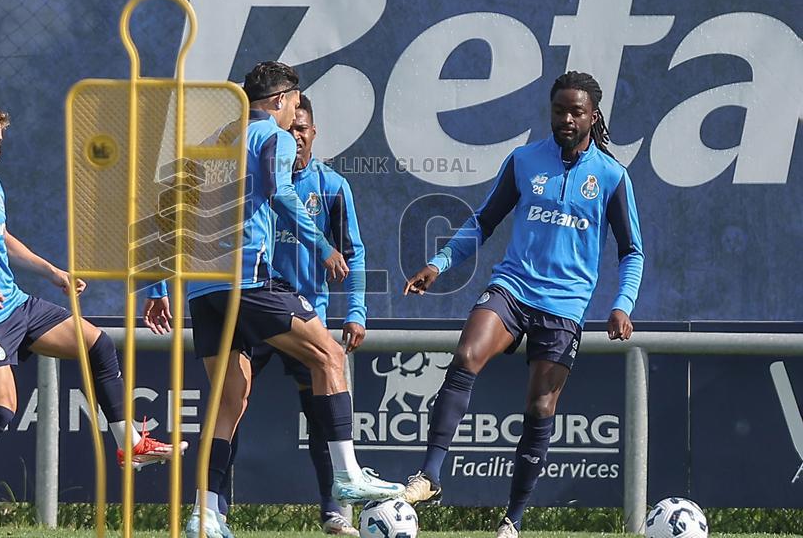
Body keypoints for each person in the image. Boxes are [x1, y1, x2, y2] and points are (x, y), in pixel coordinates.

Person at [143, 61, 402, 538]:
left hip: (203, 291)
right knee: (329, 354)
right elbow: (280, 191)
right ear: (282, 101)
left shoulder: (216, 138)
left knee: (229, 400)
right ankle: (347, 475)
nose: (293, 117)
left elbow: (169, 207)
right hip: (251, 282)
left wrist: (155, 285)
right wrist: (321, 245)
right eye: (293, 105)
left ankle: (204, 513)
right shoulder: (273, 136)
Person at [401, 71, 644, 538]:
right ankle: (429, 475)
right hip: (513, 287)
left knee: (539, 406)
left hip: (565, 305)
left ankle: (512, 518)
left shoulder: (612, 177)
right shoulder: (525, 160)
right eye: (559, 110)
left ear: (594, 116)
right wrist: (438, 263)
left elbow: (631, 250)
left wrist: (622, 304)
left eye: (576, 111)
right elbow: (483, 221)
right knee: (467, 355)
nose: (566, 119)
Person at [0, 110, 184, 538]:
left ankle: (130, 445)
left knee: (98, 344)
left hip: (19, 305)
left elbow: (2, 237)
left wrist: (53, 273)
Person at [219, 94, 368, 535]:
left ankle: (335, 510)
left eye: (302, 129)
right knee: (231, 404)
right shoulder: (255, 181)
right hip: (253, 307)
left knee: (321, 415)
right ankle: (215, 509)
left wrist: (356, 310)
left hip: (305, 314)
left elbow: (353, 252)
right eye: (289, 129)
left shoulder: (334, 187)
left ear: (314, 133)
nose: (294, 136)